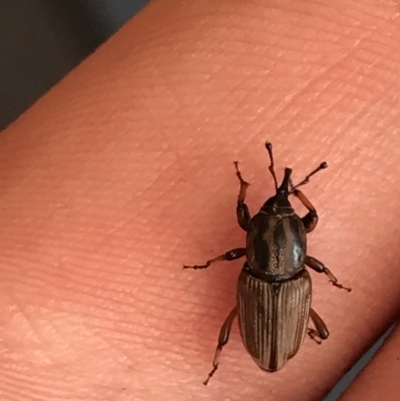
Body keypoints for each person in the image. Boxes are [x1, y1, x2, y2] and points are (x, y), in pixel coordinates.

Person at [1, 1, 399, 400]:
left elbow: (255, 215)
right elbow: (307, 217)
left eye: (279, 206)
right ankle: (217, 363)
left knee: (251, 325)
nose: (278, 202)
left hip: (273, 301)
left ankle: (215, 366)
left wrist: (260, 189)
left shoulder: (253, 257)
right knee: (322, 333)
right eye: (278, 206)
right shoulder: (301, 262)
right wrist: (293, 195)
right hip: (281, 304)